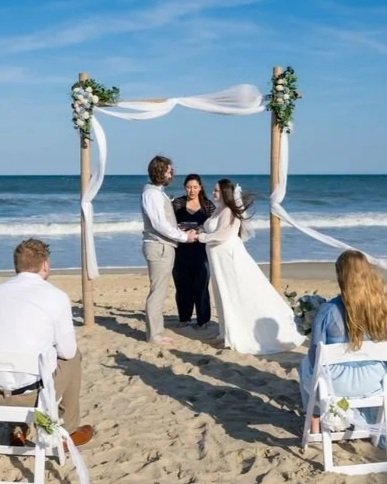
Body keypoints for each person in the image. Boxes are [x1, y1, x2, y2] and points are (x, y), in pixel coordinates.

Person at [0, 238, 93, 447]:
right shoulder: (55, 296)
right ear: (45, 265)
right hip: (31, 395)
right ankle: (66, 430)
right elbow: (67, 352)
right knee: (72, 357)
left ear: (16, 266)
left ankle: (16, 427)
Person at [198, 178, 305, 354]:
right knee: (222, 293)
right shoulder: (219, 210)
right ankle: (225, 333)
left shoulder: (229, 212)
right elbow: (213, 230)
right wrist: (201, 232)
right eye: (214, 190)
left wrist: (201, 238)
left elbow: (223, 234)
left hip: (228, 257)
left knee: (233, 293)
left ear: (225, 193)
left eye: (217, 190)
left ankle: (235, 335)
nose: (213, 193)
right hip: (218, 259)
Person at [299, 250, 387, 434]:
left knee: (306, 365)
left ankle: (315, 418)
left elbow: (316, 356)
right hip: (374, 381)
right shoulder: (381, 306)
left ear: (341, 276)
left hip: (336, 383)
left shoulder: (328, 310)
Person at [142, 155, 197, 344]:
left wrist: (178, 231)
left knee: (160, 290)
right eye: (168, 170)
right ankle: (154, 335)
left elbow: (164, 222)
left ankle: (156, 332)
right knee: (157, 292)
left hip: (163, 246)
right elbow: (159, 224)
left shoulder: (158, 192)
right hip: (159, 247)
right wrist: (184, 237)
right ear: (159, 171)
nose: (172, 173)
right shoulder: (152, 194)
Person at [172, 174, 215, 329]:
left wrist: (200, 231)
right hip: (181, 250)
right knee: (182, 286)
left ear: (200, 187)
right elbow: (169, 224)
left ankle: (203, 320)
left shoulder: (208, 205)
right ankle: (184, 318)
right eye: (189, 187)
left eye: (195, 187)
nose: (192, 190)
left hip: (201, 250)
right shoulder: (177, 203)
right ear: (185, 187)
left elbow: (214, 226)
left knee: (201, 285)